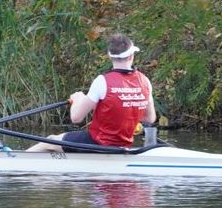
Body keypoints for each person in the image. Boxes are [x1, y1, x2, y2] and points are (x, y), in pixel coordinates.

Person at [27, 33, 156, 152]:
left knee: (49, 141)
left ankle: (13, 163)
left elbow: (76, 118)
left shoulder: (102, 81)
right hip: (122, 144)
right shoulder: (145, 81)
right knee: (54, 144)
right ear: (131, 55)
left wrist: (78, 100)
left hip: (97, 143)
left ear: (109, 56)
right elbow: (149, 118)